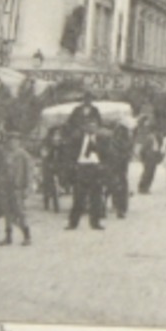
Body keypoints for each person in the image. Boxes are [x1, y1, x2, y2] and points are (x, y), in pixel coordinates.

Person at [64, 98, 108, 231]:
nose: (92, 128)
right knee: (79, 198)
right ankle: (73, 223)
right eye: (89, 126)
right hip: (82, 168)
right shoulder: (77, 139)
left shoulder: (101, 140)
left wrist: (103, 166)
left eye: (94, 126)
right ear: (85, 127)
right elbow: (70, 153)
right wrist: (73, 165)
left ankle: (95, 223)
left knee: (96, 197)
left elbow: (107, 155)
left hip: (96, 168)